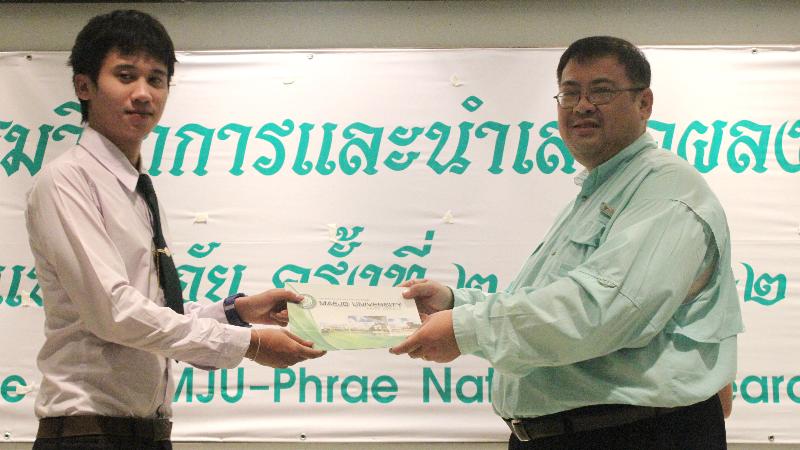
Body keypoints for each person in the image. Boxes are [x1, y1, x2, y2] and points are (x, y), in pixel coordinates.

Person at [390, 36, 743, 449]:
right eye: (570, 93)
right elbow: (544, 300)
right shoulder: (602, 191)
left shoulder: (666, 191)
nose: (582, 106)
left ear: (644, 103)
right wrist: (454, 304)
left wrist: (465, 328)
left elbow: (601, 311)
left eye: (601, 92)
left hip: (634, 434)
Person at [25, 10, 325, 449]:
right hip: (88, 433)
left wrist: (239, 311)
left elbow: (153, 316)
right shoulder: (67, 180)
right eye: (125, 76)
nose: (143, 94)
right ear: (83, 86)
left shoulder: (138, 189)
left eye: (157, 79)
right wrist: (250, 344)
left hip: (146, 433)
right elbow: (116, 313)